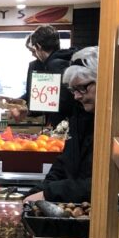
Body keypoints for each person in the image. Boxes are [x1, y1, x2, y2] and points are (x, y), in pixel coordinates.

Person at [27, 46, 97, 203]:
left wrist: (49, 193)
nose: (77, 96)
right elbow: (65, 162)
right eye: (73, 90)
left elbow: (99, 184)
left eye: (83, 88)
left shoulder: (113, 127)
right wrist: (39, 191)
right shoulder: (80, 117)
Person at [0, 26, 75, 127]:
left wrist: (26, 109)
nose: (34, 55)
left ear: (38, 46)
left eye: (33, 50)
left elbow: (59, 102)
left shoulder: (54, 65)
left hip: (64, 123)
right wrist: (15, 102)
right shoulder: (66, 59)